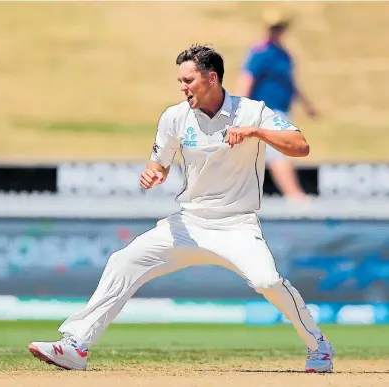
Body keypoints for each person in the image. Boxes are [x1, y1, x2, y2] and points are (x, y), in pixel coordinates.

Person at [28, 44, 334, 373]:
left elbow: (301, 147)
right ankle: (76, 345)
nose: (183, 87)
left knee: (267, 282)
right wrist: (153, 174)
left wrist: (257, 132)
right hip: (187, 225)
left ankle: (319, 346)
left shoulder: (252, 111)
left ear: (212, 78)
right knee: (124, 261)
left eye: (188, 80)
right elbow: (158, 164)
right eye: (180, 80)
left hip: (236, 226)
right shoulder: (174, 117)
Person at [235, 9, 318, 198]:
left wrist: (307, 105)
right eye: (273, 27)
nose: (276, 31)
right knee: (279, 153)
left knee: (267, 153)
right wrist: (238, 109)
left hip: (281, 110)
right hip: (266, 111)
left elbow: (289, 83)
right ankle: (294, 196)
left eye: (279, 27)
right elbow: (246, 79)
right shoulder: (260, 53)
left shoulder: (284, 55)